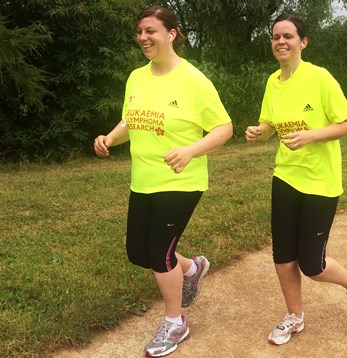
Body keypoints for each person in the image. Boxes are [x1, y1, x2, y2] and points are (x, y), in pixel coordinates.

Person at [93, 6, 232, 357]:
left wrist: (191, 150)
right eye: (140, 31)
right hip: (143, 179)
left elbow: (223, 128)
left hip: (181, 180)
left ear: (172, 33)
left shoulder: (193, 80)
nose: (143, 37)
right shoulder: (136, 78)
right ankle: (192, 267)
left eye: (151, 31)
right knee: (138, 252)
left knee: (158, 252)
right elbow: (131, 121)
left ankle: (175, 322)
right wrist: (109, 138)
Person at [245, 13, 347, 346]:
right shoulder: (273, 81)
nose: (280, 42)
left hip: (320, 181)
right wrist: (260, 131)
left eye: (288, 36)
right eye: (275, 36)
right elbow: (270, 122)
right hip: (285, 175)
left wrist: (312, 135)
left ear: (303, 42)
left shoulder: (320, 78)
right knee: (283, 256)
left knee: (312, 264)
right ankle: (295, 316)